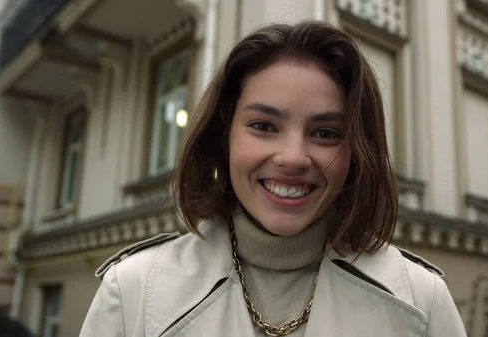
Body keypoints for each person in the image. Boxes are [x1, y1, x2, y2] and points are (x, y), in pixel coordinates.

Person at [80, 20, 467, 337]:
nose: (293, 158)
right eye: (264, 125)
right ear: (224, 135)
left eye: (326, 133)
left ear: (356, 153)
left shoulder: (422, 299)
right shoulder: (132, 292)